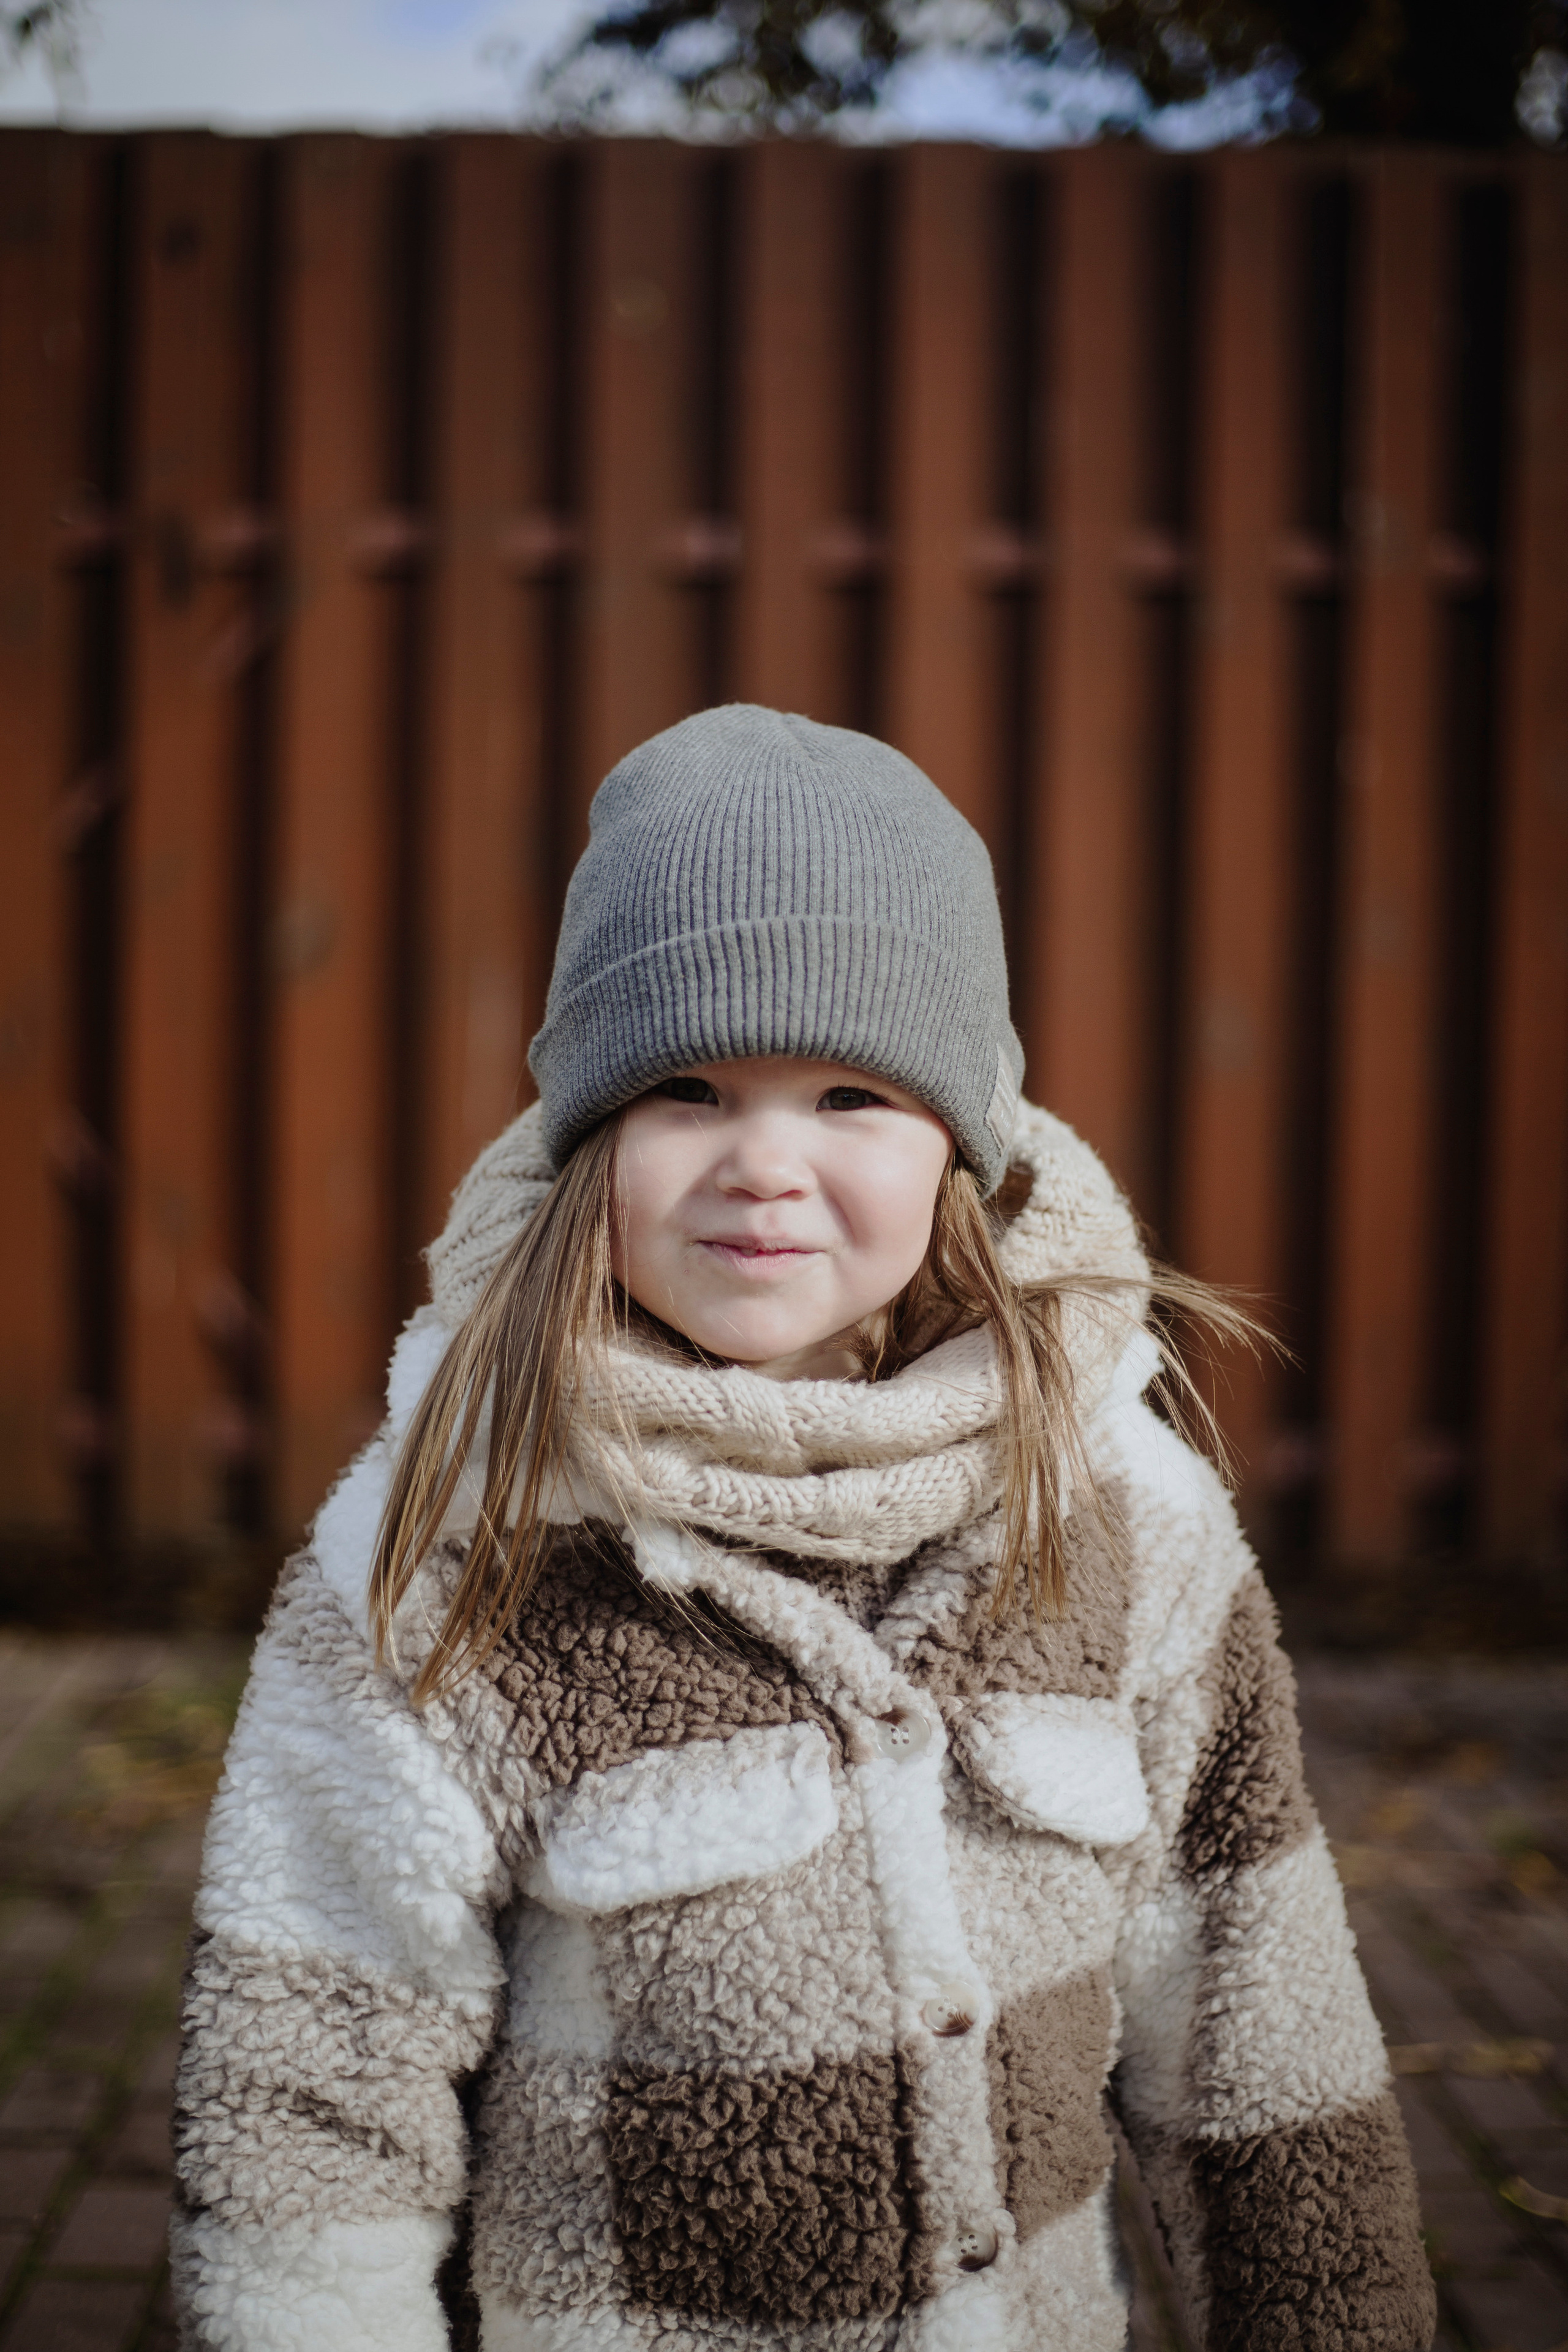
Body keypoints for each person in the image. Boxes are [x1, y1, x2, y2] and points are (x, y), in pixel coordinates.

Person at [172, 705, 1435, 2352]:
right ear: (586, 1143)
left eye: (852, 1094)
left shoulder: (1124, 1521)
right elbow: (310, 2101)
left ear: (963, 1154)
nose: (766, 1165)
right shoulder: (446, 1557)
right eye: (687, 1087)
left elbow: (1260, 2037)